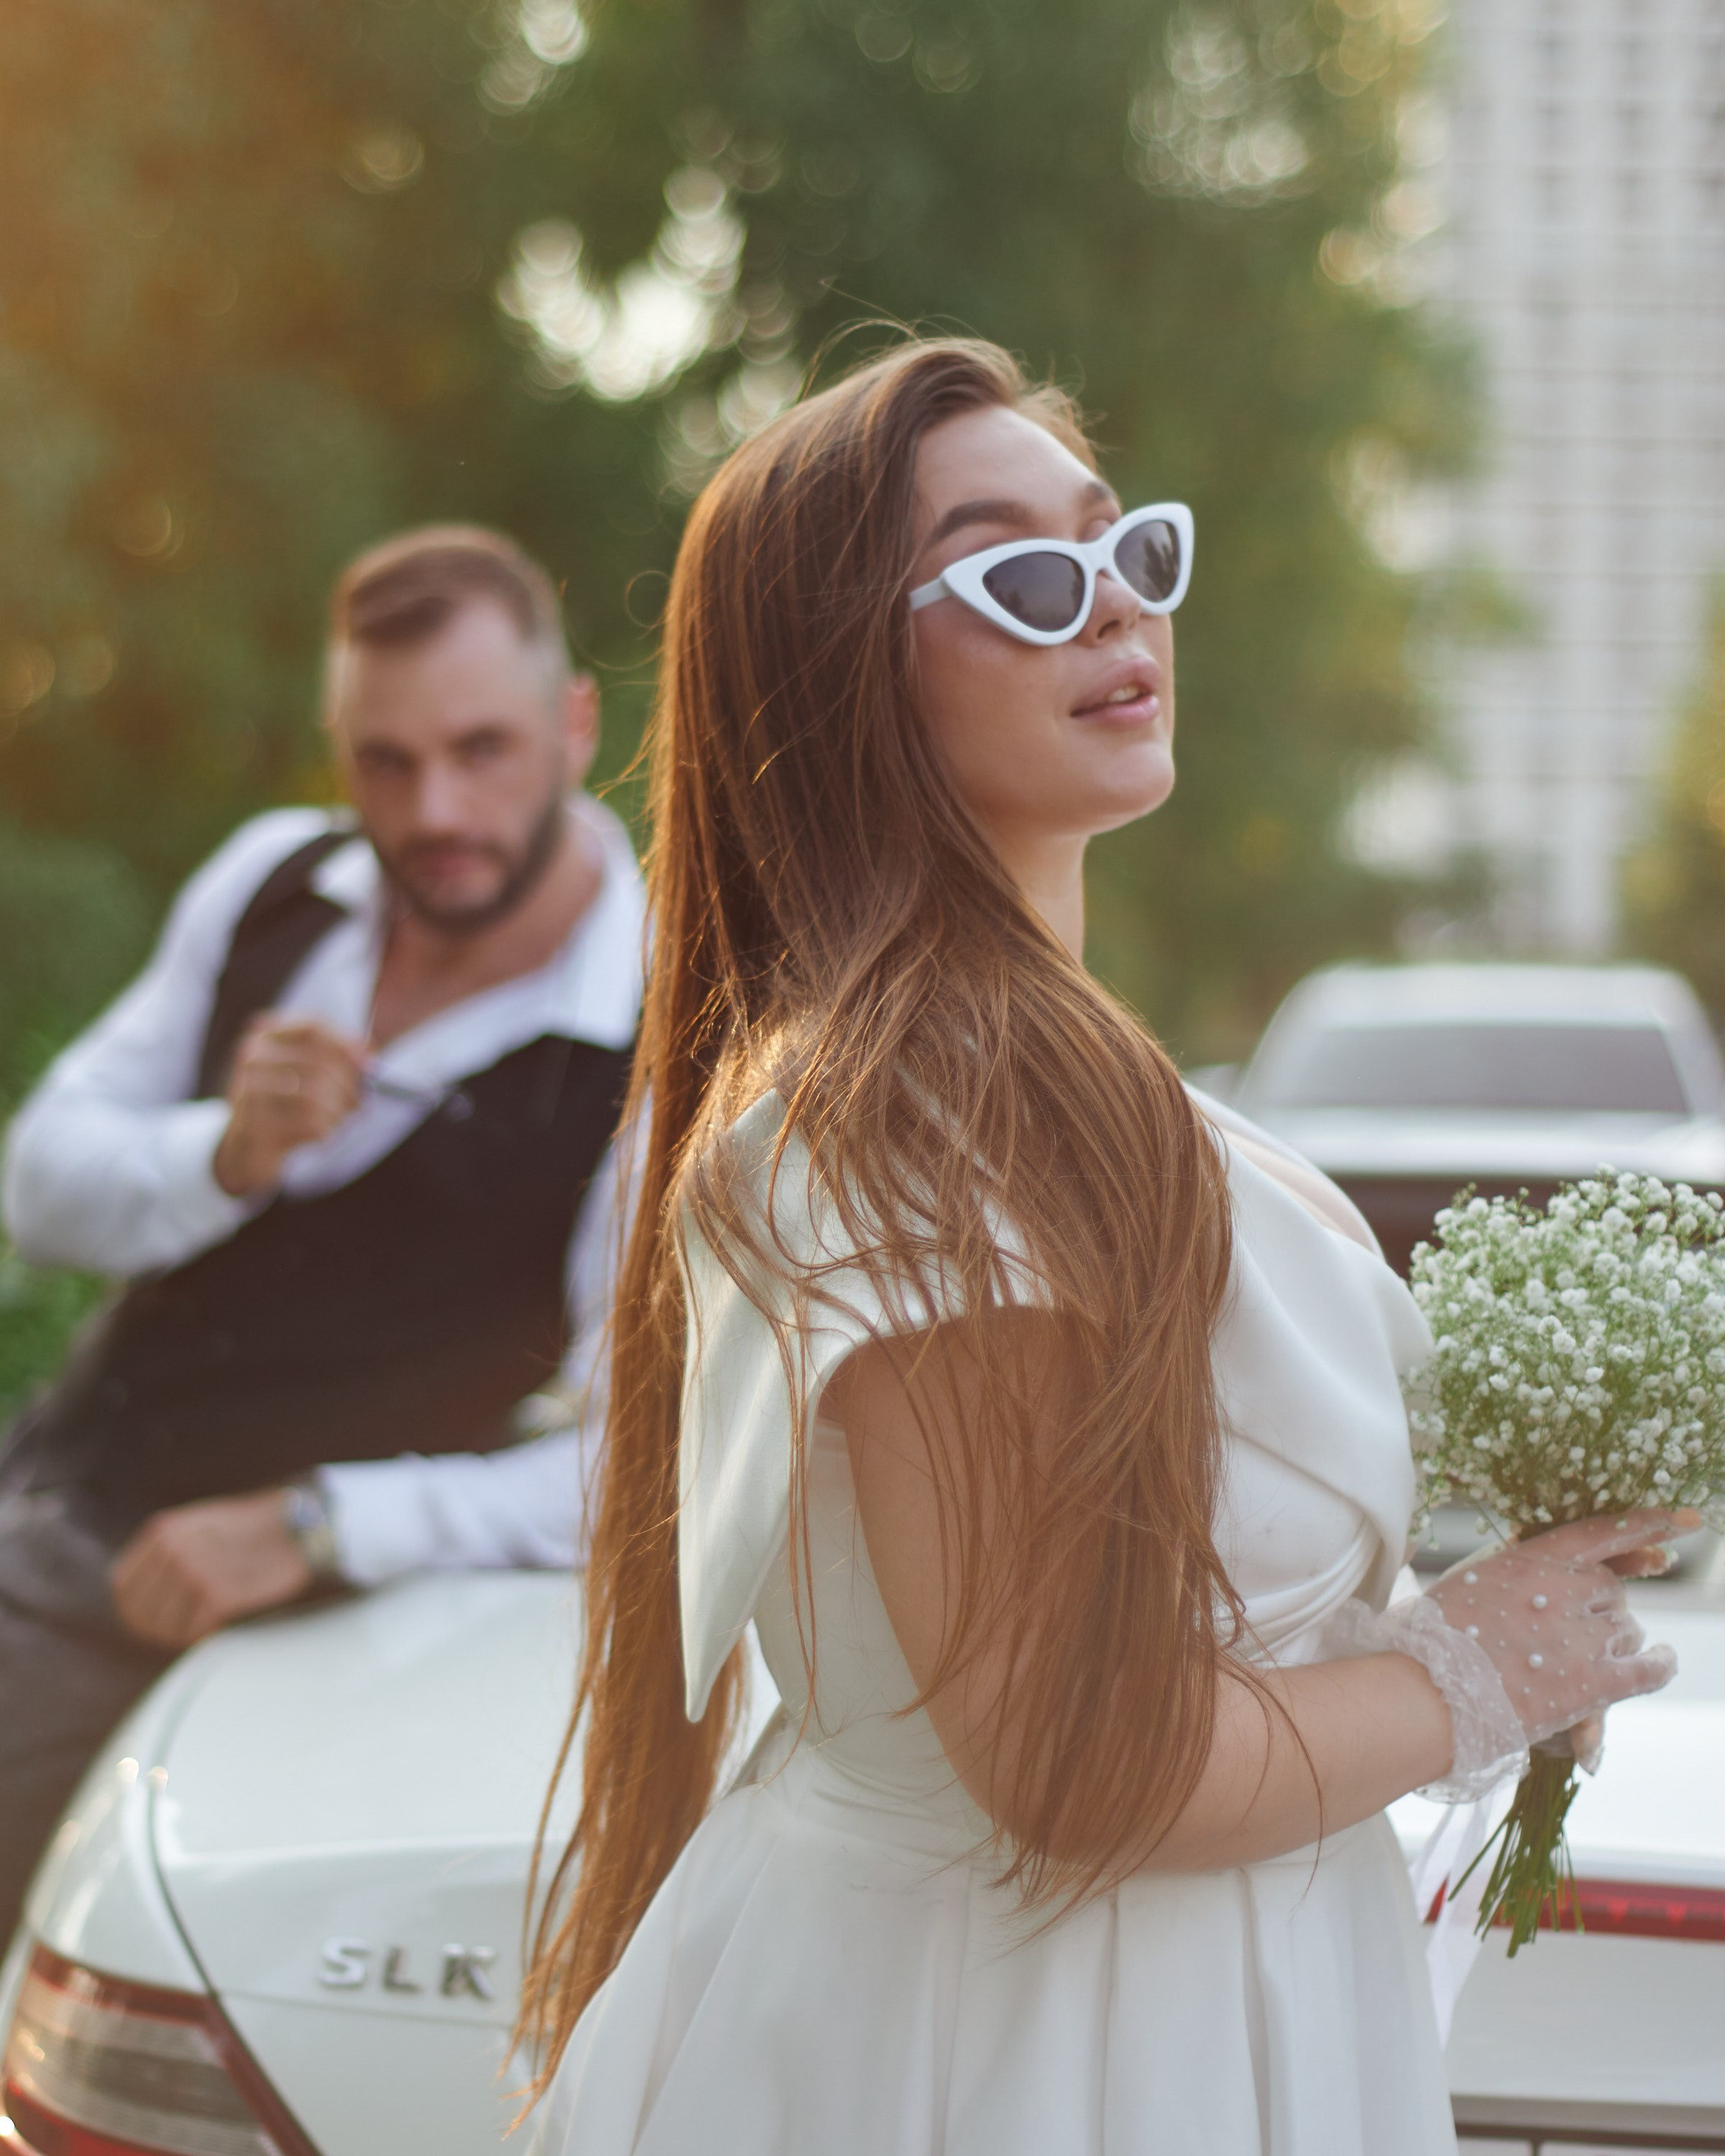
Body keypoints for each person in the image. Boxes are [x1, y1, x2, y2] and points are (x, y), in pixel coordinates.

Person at [511, 341, 1687, 2156]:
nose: (1116, 609)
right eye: (1026, 577)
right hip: (1021, 2053)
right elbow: (1078, 1762)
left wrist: (1490, 1618)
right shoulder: (919, 1114)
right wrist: (1475, 1673)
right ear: (847, 677)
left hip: (1164, 2008)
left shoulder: (1066, 1079)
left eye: (1129, 550)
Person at [0, 525, 641, 1938]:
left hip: (301, 1660)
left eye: (483, 750)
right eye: (385, 764)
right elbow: (38, 1182)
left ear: (574, 725)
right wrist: (220, 1153)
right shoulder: (275, 884)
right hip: (49, 1506)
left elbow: (632, 1466)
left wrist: (322, 1521)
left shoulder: (655, 1039)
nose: (435, 813)